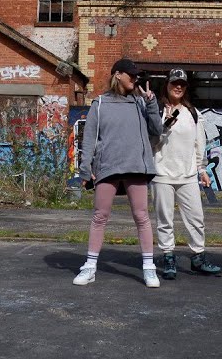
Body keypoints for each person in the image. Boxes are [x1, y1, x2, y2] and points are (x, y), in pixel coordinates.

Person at [73, 57, 164, 288]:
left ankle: (149, 268)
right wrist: (85, 169)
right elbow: (90, 138)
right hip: (108, 167)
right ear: (118, 75)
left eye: (136, 75)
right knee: (99, 216)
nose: (135, 79)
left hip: (136, 166)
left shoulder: (141, 103)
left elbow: (157, 130)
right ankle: (90, 266)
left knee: (142, 216)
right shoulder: (100, 104)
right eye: (131, 74)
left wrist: (152, 102)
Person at [151, 68, 222, 280]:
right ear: (167, 85)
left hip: (188, 175)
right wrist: (164, 128)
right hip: (162, 174)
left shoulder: (193, 114)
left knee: (196, 218)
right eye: (175, 83)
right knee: (165, 219)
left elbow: (199, 145)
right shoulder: (157, 111)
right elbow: (151, 143)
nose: (178, 87)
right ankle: (168, 257)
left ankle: (198, 257)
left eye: (182, 83)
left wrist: (202, 170)